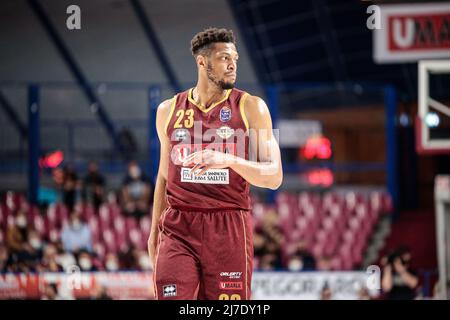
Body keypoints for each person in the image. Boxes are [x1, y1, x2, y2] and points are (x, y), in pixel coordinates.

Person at [148, 27, 283, 300]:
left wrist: (228, 160)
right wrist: (153, 234)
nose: (233, 64)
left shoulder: (251, 108)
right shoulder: (168, 110)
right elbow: (164, 177)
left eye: (235, 58)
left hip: (228, 225)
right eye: (223, 58)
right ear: (202, 62)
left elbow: (274, 176)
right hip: (178, 226)